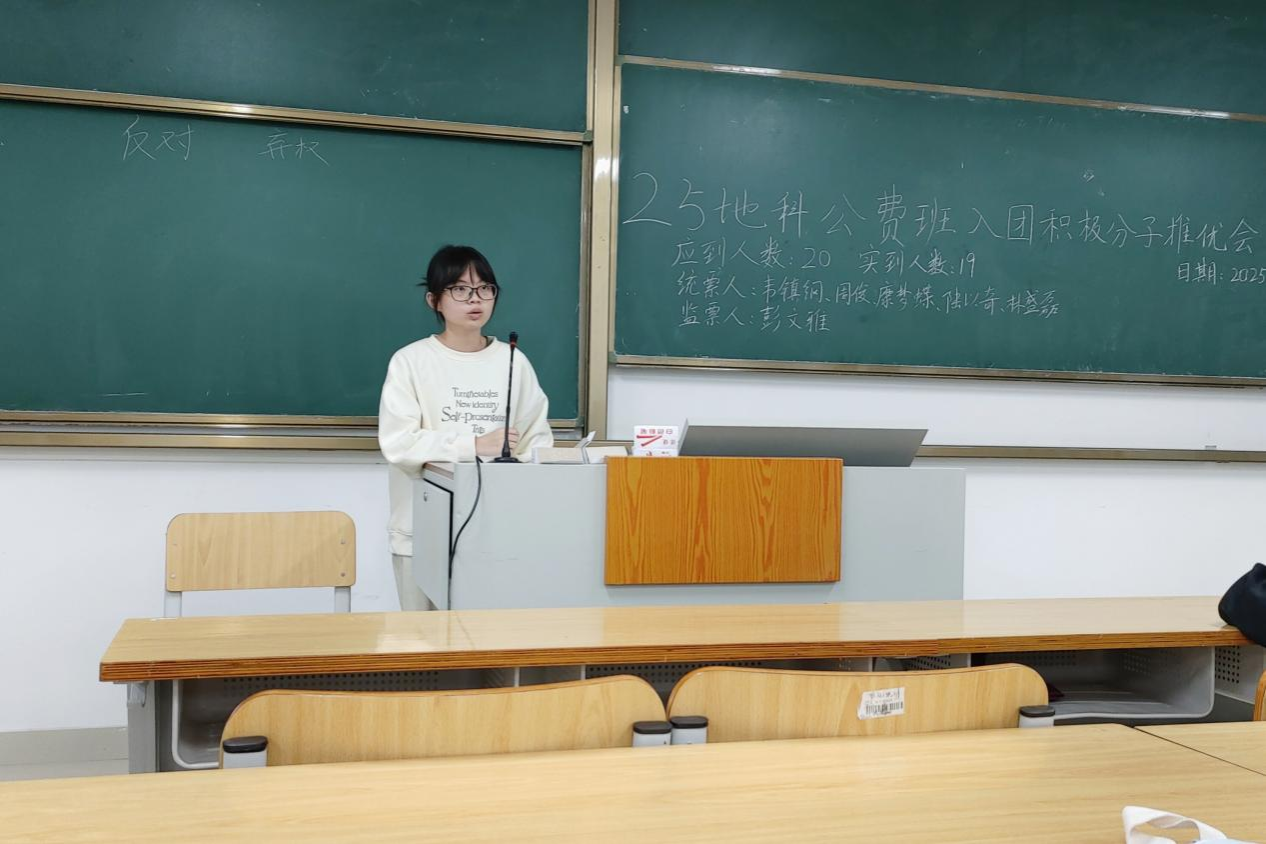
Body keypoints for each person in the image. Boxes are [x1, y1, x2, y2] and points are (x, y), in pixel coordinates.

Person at [378, 244, 553, 610]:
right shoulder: (410, 362)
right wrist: (473, 445)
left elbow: (537, 443)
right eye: (460, 289)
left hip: (497, 531)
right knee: (421, 639)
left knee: (489, 639)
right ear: (434, 300)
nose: (475, 299)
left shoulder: (513, 360)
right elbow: (399, 443)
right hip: (422, 530)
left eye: (485, 288)